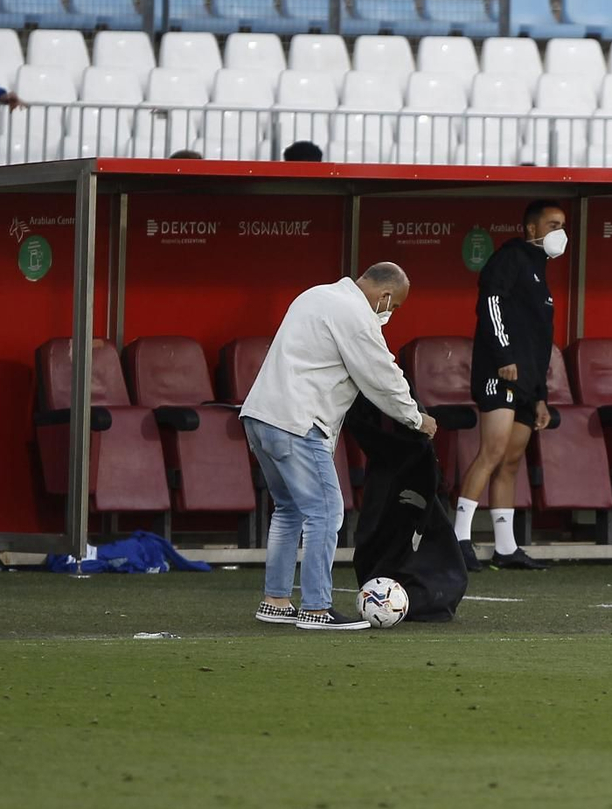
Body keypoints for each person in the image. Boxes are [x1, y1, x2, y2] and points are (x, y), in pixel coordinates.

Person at [241, 262, 438, 630]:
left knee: (288, 511)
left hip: (259, 417)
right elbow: (382, 376)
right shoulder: (356, 314)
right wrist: (416, 418)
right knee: (327, 512)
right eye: (394, 307)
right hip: (298, 423)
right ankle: (316, 608)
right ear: (384, 295)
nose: (390, 314)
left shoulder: (315, 294)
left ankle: (276, 601)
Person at [454, 200, 566, 573]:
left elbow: (540, 343)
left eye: (563, 225)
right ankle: (459, 539)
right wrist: (503, 355)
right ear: (531, 229)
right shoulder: (510, 259)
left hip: (527, 386)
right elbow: (490, 304)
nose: (559, 233)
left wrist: (540, 397)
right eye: (552, 225)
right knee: (492, 451)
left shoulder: (540, 272)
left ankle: (506, 547)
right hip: (499, 373)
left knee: (512, 460)